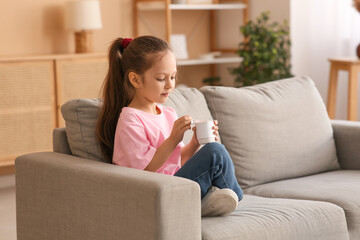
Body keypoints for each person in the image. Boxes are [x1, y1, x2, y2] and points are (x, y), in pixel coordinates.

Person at [96, 35, 243, 217]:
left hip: (175, 182)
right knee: (215, 153)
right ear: (135, 80)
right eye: (161, 78)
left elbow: (175, 162)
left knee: (214, 149)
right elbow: (145, 170)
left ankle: (207, 199)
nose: (170, 85)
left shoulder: (167, 113)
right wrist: (173, 139)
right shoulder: (130, 120)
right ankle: (232, 198)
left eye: (173, 77)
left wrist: (195, 143)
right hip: (155, 191)